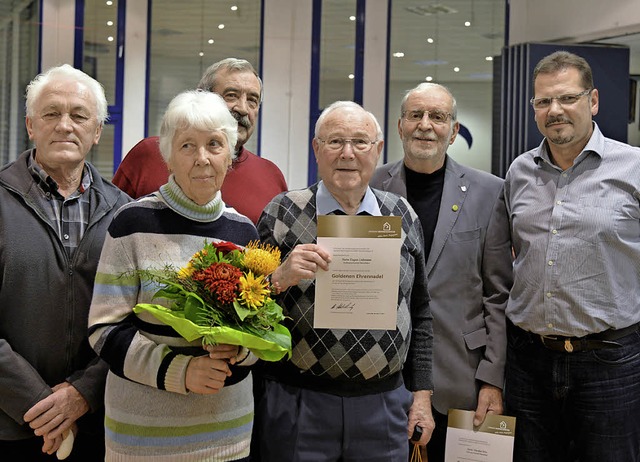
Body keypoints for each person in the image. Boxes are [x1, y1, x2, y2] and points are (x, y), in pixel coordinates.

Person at [255, 101, 435, 461]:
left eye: (360, 142)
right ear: (316, 148)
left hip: (384, 405)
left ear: (379, 150)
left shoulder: (401, 214)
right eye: (335, 141)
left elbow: (421, 312)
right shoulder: (283, 211)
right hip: (298, 402)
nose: (348, 154)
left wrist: (422, 395)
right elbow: (245, 310)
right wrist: (279, 278)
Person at [88, 89, 260, 461]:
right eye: (187, 146)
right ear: (168, 155)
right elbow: (104, 330)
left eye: (215, 144)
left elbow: (259, 333)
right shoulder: (131, 223)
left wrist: (240, 350)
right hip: (143, 437)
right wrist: (180, 371)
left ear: (230, 155)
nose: (202, 159)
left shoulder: (244, 233)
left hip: (226, 435)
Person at [503, 50, 640, 462]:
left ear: (593, 101)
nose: (554, 110)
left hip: (610, 363)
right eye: (543, 101)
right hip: (528, 362)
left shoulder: (633, 169)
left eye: (567, 98)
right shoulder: (518, 173)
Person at [370, 82, 513, 461]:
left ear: (454, 130)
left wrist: (492, 379)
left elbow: (498, 295)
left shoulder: (490, 192)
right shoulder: (370, 187)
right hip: (384, 375)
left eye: (438, 117)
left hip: (463, 379)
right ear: (400, 126)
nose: (425, 125)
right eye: (415, 115)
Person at [0, 64, 131, 460]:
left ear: (96, 132)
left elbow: (134, 319)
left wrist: (83, 394)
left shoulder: (124, 214)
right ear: (30, 126)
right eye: (51, 113)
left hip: (97, 425)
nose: (64, 126)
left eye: (78, 115)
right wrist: (42, 405)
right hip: (10, 428)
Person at [112, 57, 287, 224]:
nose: (242, 108)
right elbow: (108, 229)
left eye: (252, 100)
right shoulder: (149, 154)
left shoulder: (271, 177)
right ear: (202, 97)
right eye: (231, 95)